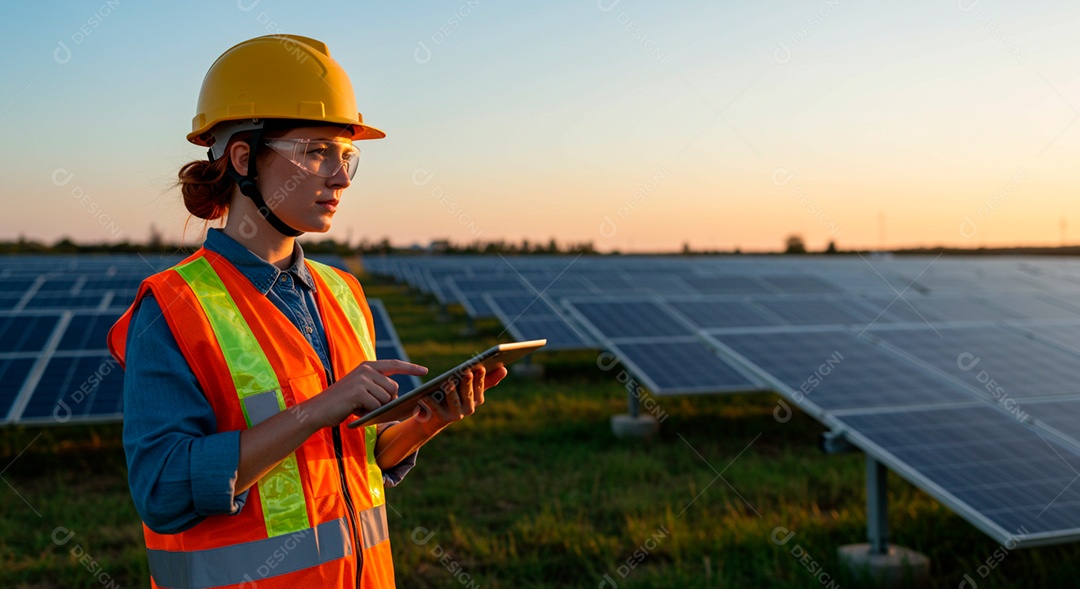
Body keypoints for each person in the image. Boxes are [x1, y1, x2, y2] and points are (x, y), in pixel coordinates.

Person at [107, 34, 507, 589]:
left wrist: (424, 423)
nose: (340, 177)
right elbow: (164, 491)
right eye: (316, 151)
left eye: (347, 156)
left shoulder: (342, 291)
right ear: (244, 158)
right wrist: (319, 408)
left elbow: (351, 455)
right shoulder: (172, 305)